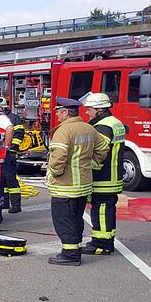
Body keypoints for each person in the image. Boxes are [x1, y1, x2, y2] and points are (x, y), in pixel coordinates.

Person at [47, 97, 110, 266]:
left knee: (63, 220)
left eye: (58, 112)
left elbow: (59, 156)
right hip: (83, 185)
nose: (57, 115)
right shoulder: (89, 129)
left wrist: (54, 172)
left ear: (66, 112)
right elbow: (104, 148)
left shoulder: (64, 131)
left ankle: (70, 254)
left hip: (65, 186)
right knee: (75, 219)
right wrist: (92, 163)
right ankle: (75, 250)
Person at [81, 92, 127, 255]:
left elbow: (99, 152)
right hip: (113, 175)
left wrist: (86, 170)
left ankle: (102, 244)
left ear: (99, 109)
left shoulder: (103, 127)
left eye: (90, 109)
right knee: (106, 210)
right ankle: (106, 241)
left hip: (103, 177)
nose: (87, 113)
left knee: (101, 211)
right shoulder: (115, 123)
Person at [0, 97, 26, 213]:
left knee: (11, 179)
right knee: (2, 180)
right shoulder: (0, 118)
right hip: (0, 154)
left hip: (10, 154)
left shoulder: (14, 119)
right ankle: (5, 203)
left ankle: (16, 205)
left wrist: (12, 148)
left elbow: (19, 135)